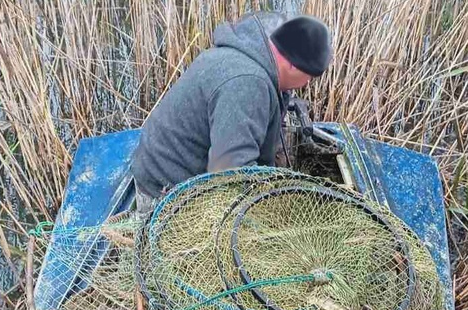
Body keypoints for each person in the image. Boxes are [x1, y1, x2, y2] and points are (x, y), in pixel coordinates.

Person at [130, 12, 332, 213]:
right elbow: (230, 174)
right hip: (166, 190)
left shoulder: (253, 52)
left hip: (177, 164)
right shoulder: (247, 84)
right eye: (309, 77)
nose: (306, 83)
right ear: (291, 64)